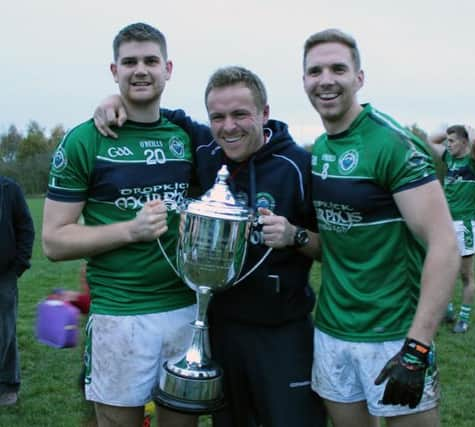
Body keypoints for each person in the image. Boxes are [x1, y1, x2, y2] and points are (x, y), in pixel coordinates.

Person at [93, 66, 326, 427]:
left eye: (240, 114)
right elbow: (151, 110)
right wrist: (113, 101)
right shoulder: (204, 147)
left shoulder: (298, 165)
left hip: (282, 333)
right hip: (217, 331)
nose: (228, 127)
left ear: (265, 113)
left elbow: (333, 249)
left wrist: (294, 235)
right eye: (217, 117)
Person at [42, 22, 200, 427]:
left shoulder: (186, 137)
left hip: (186, 312)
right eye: (129, 62)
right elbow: (55, 241)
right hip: (119, 315)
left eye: (150, 61)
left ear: (168, 68)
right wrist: (130, 230)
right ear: (115, 71)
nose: (140, 70)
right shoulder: (84, 140)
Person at [302, 29, 460, 427]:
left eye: (338, 68)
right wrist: (293, 236)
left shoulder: (392, 144)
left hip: (394, 335)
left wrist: (417, 347)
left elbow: (444, 244)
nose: (326, 79)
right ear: (304, 81)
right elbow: (340, 243)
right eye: (315, 71)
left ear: (359, 78)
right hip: (332, 331)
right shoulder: (320, 148)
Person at [427, 125, 475, 334]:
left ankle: (464, 318)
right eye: (448, 141)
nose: (447, 144)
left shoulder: (473, 163)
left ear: (464, 142)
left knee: (465, 274)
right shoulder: (449, 159)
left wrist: (471, 132)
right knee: (443, 268)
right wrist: (452, 127)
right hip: (445, 221)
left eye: (452, 141)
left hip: (466, 223)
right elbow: (431, 139)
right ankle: (448, 310)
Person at [0, 176, 34, 406]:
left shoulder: (9, 189)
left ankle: (8, 384)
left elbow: (26, 227)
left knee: (5, 331)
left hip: (4, 274)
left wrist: (18, 265)